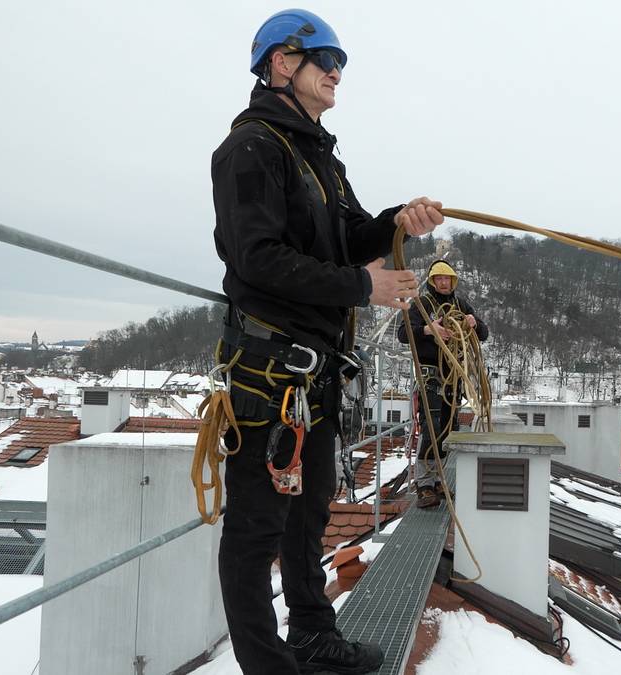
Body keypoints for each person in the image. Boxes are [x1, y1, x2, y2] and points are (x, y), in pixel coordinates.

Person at [210, 9, 443, 674]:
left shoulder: (317, 158)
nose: (337, 71)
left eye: (340, 61)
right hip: (267, 368)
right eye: (324, 59)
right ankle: (267, 664)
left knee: (307, 514)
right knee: (254, 530)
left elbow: (349, 236)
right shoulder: (250, 149)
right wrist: (361, 287)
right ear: (282, 64)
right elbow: (255, 259)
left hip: (309, 375)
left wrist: (397, 220)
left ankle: (312, 632)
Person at [397, 259, 489, 508]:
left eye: (448, 279)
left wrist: (473, 323)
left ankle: (437, 479)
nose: (444, 283)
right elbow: (403, 333)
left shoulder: (460, 305)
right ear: (432, 281)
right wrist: (427, 330)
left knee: (448, 429)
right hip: (430, 372)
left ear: (453, 281)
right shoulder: (421, 304)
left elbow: (484, 333)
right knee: (431, 426)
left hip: (453, 374)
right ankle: (424, 484)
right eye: (439, 279)